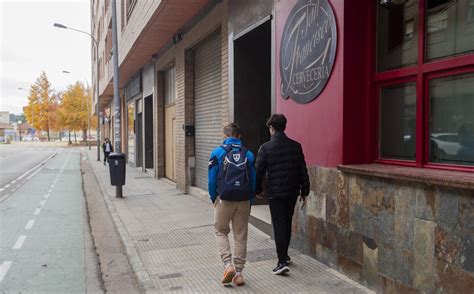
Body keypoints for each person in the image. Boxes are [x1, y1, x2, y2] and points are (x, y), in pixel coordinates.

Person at [255, 114, 310, 275]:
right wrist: (305, 190)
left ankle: (281, 262)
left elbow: (259, 171)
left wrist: (257, 190)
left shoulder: (265, 148)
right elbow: (303, 170)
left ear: (271, 128)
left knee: (279, 225)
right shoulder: (296, 146)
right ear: (284, 127)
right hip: (292, 191)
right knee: (286, 223)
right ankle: (284, 255)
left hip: (275, 193)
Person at [208, 123, 256, 287]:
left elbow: (211, 179)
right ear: (239, 136)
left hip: (225, 199)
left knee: (221, 231)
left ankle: (228, 265)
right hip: (243, 200)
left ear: (225, 136)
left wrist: (214, 198)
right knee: (240, 236)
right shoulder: (248, 154)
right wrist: (250, 199)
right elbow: (254, 180)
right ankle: (239, 273)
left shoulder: (218, 152)